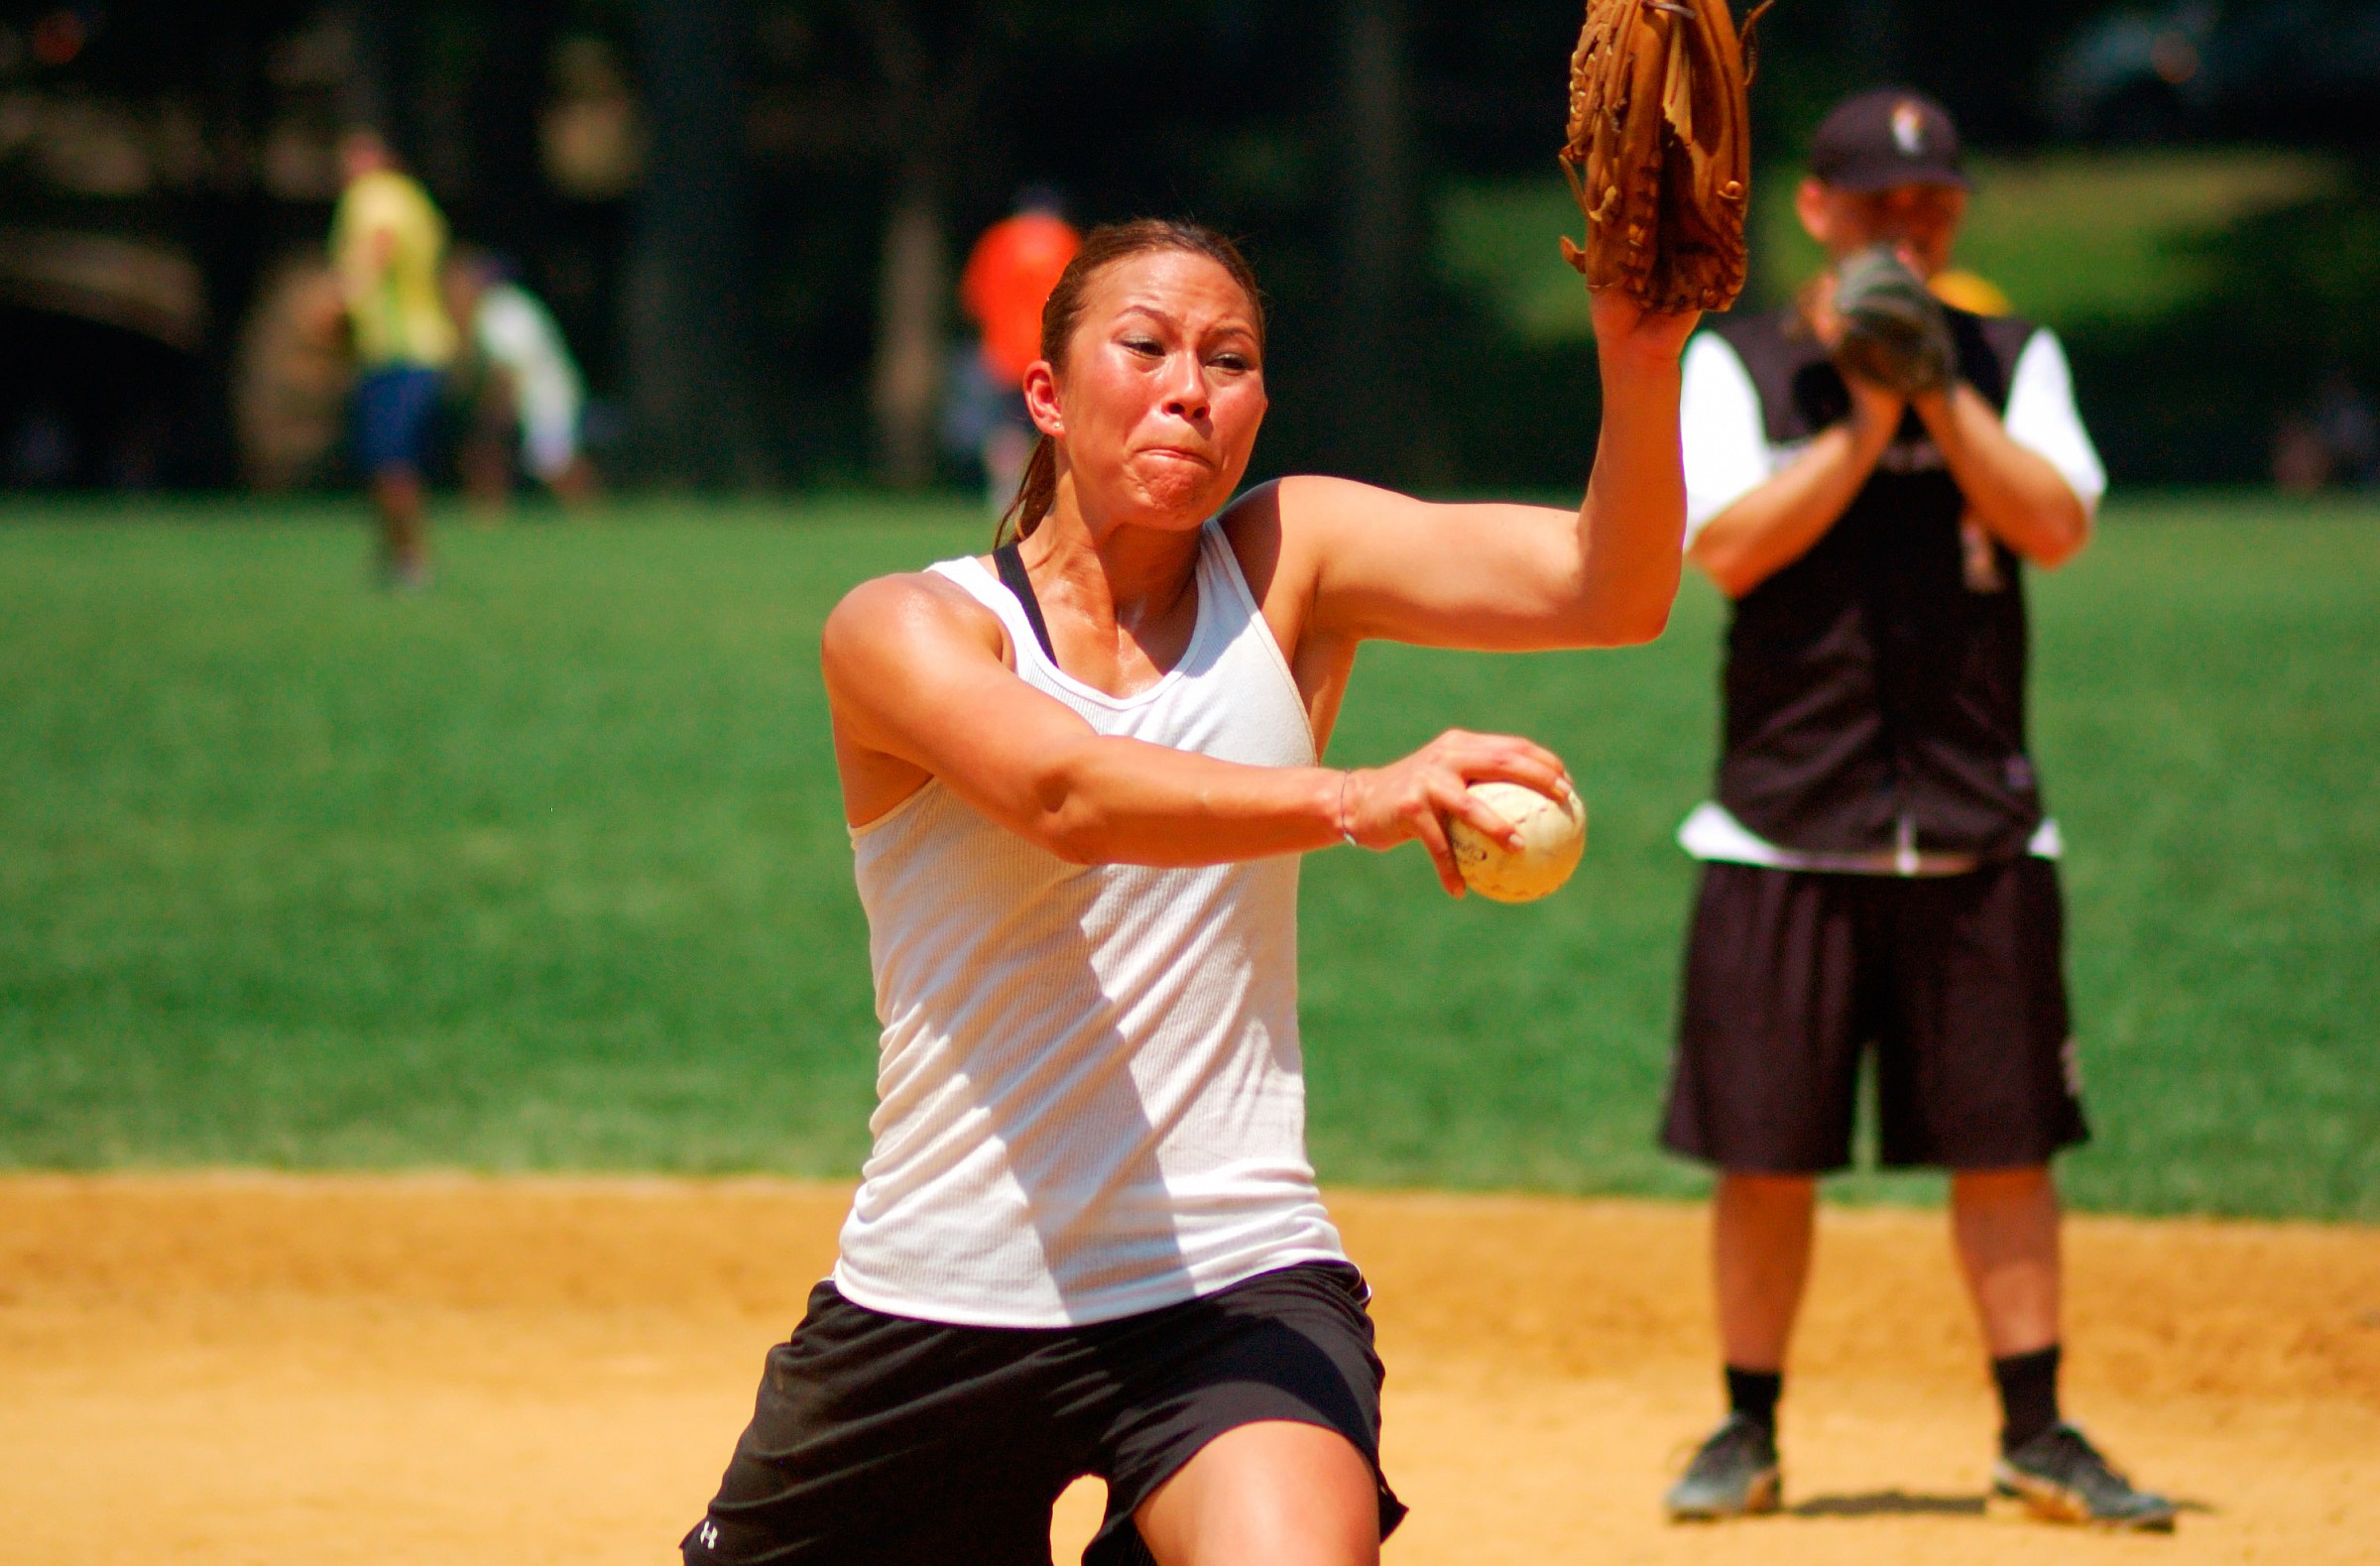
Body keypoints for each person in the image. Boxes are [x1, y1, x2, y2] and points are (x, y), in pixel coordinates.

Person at [680, 219, 1695, 1566]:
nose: (1189, 386)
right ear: (1045, 394)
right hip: (939, 1290)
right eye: (1144, 346)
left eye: (1231, 360)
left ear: (1260, 407)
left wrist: (1640, 361)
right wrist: (1352, 795)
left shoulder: (1294, 558)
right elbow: (1069, 796)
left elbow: (1609, 589)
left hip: (1228, 1273)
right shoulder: (905, 626)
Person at [1655, 89, 2175, 1530]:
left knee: (2006, 1142)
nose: (1908, 222)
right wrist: (1868, 408)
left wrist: (1939, 390)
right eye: (1879, 202)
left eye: (1932, 203)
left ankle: (2034, 1426)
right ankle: (1745, 1427)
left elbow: (2055, 524)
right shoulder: (1742, 363)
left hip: (1978, 816)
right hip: (1782, 820)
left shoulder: (2014, 357)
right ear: (1814, 211)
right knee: (1765, 1152)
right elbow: (1727, 545)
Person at [329, 130, 457, 587]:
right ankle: (397, 556)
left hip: (401, 350)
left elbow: (380, 245)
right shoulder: (412, 197)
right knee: (390, 459)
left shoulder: (374, 196)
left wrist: (340, 299)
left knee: (389, 459)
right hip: (414, 349)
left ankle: (410, 559)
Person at [442, 250, 599, 511]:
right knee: (489, 452)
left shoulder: (502, 310)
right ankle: (489, 512)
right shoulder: (476, 312)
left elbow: (507, 371)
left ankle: (590, 516)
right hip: (525, 394)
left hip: (544, 395)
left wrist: (495, 412)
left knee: (553, 463)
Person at [957, 195, 1083, 511]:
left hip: (1003, 350)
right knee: (1057, 421)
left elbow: (975, 297)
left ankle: (1006, 493)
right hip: (1051, 349)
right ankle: (1055, 494)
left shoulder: (1000, 239)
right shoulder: (1064, 239)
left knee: (1006, 425)